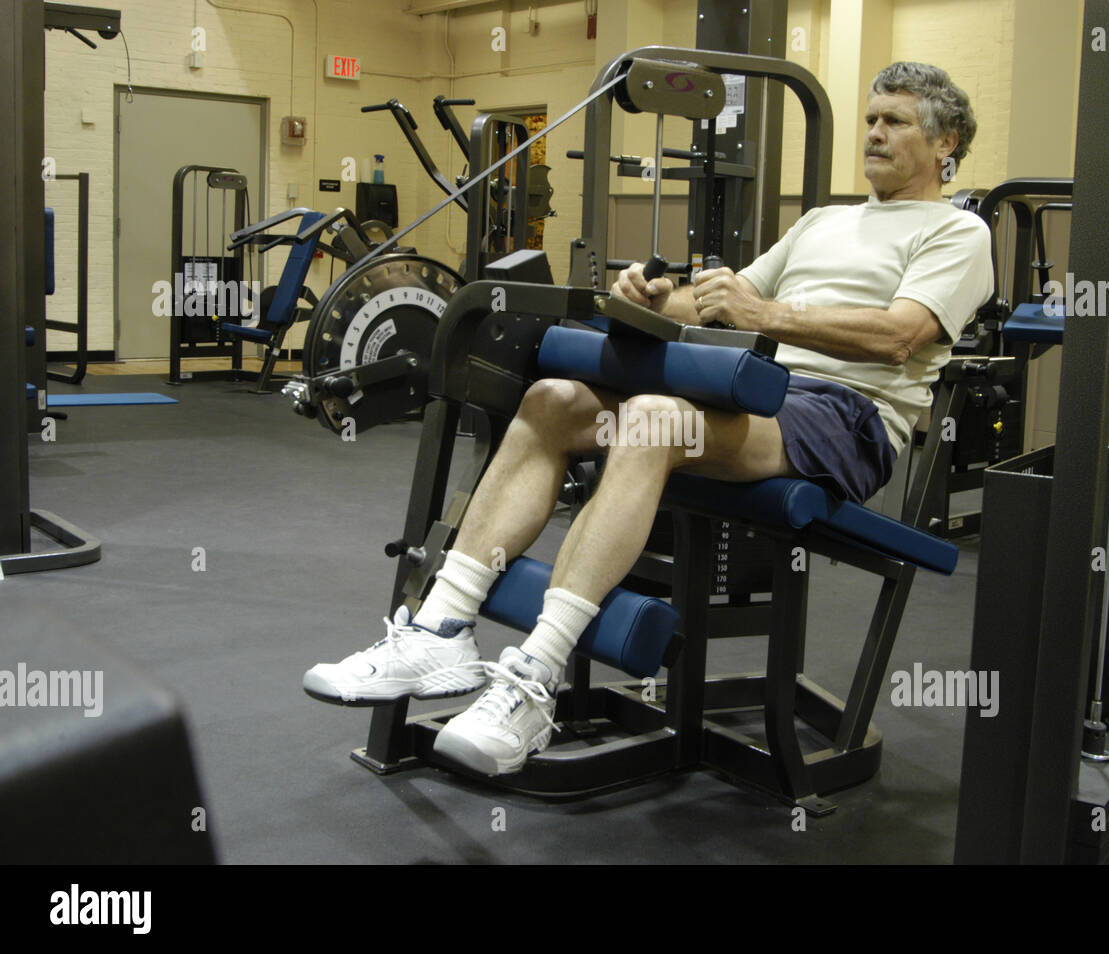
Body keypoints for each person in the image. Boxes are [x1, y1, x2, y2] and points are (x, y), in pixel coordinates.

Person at [303, 61, 995, 777]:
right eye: (872, 119)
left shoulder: (956, 233)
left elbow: (901, 335)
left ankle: (534, 680)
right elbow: (719, 302)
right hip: (759, 390)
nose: (875, 133)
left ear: (945, 146)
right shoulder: (826, 221)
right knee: (554, 401)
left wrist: (768, 316)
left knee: (654, 420)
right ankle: (440, 630)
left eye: (896, 122)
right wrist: (649, 297)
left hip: (842, 417)